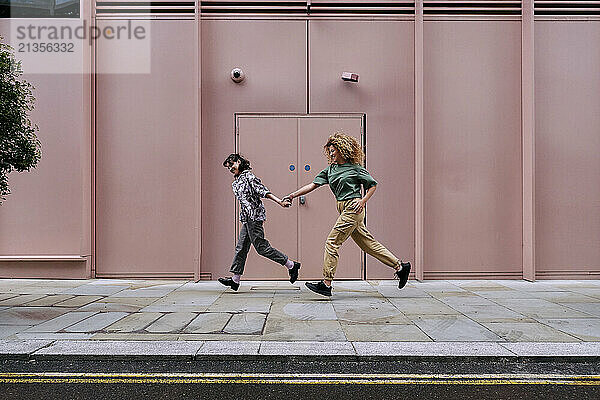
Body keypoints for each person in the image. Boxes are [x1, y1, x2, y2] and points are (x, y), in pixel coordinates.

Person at [283, 132, 410, 297]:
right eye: (329, 151)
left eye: (333, 151)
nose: (331, 154)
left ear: (342, 150)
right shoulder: (330, 170)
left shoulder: (355, 168)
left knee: (332, 242)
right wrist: (293, 195)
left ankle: (326, 283)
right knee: (368, 244)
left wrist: (363, 201)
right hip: (344, 209)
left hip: (353, 208)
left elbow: (372, 185)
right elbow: (313, 185)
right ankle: (400, 267)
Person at [219, 154, 300, 291]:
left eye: (232, 165)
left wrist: (280, 201)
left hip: (255, 217)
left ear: (239, 162)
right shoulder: (237, 181)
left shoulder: (249, 177)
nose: (231, 169)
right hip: (247, 218)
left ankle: (291, 265)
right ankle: (235, 280)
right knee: (241, 248)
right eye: (229, 168)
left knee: (261, 248)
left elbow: (263, 191)